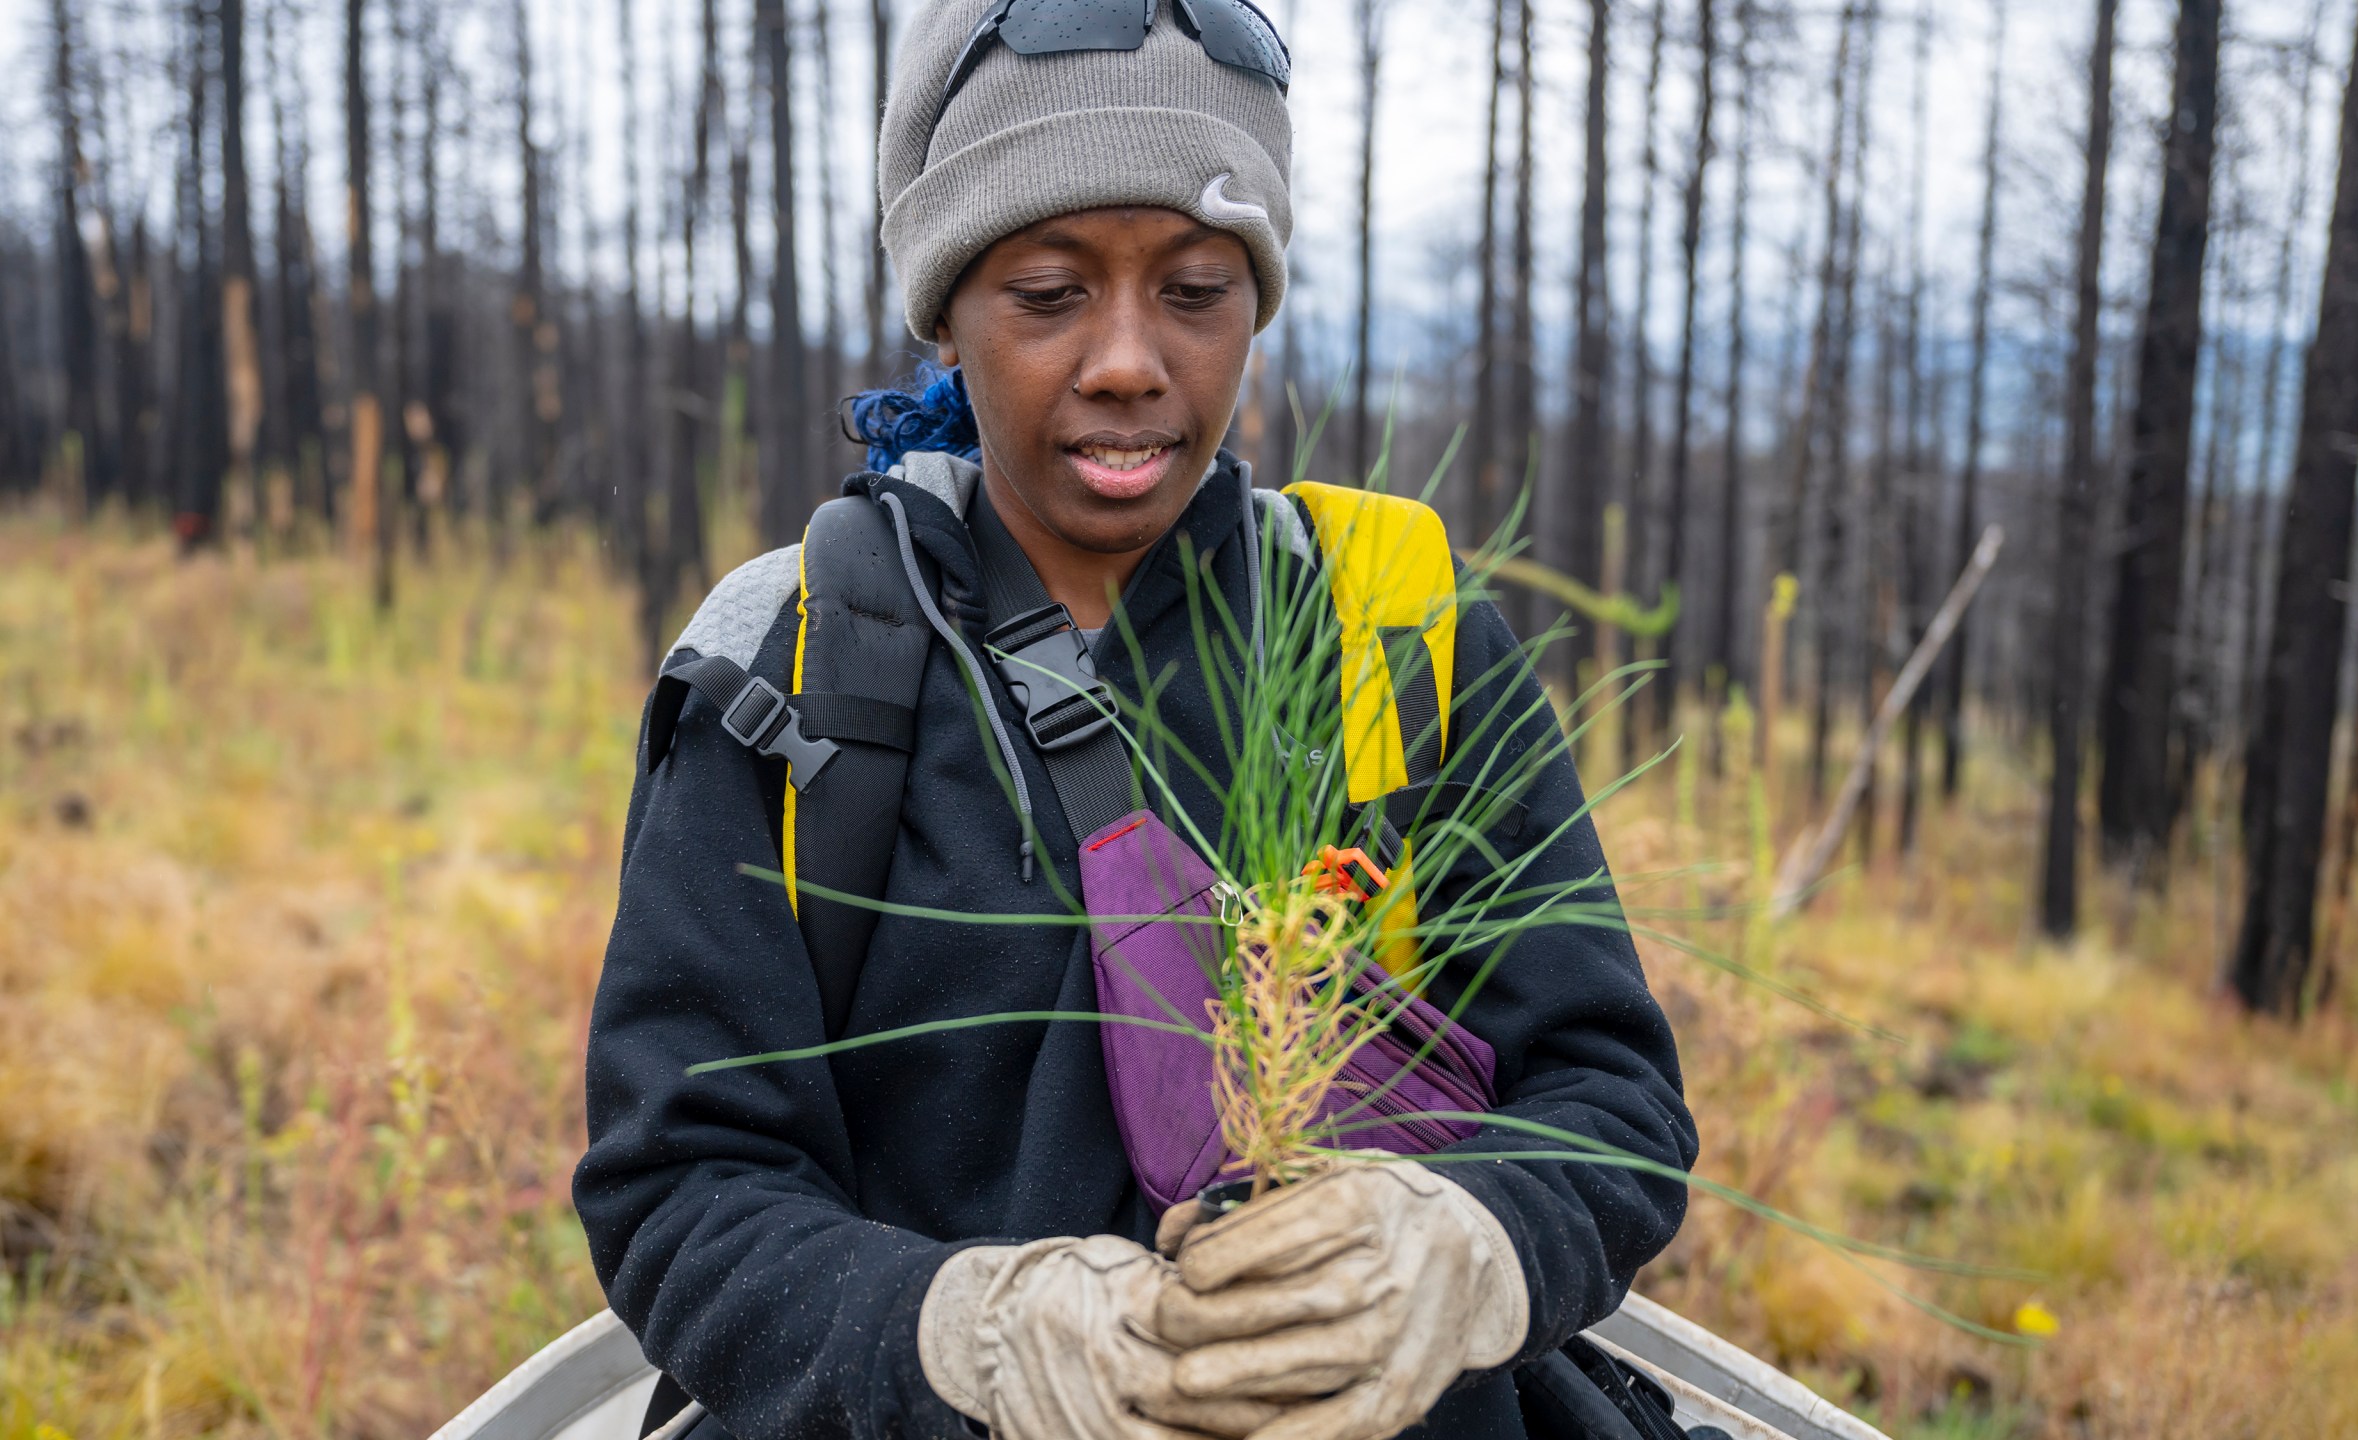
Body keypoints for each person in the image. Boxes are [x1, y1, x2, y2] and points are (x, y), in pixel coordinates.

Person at [572, 0, 1698, 1434]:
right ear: (950, 311)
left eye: (1195, 289)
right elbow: (681, 1190)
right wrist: (972, 1341)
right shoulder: (789, 668)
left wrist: (1465, 1249)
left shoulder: (1397, 635)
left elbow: (1611, 1098)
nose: (1124, 359)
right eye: (1047, 292)